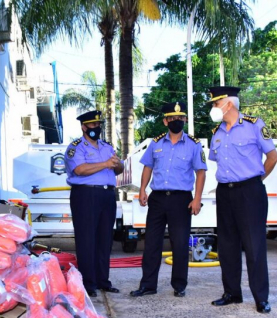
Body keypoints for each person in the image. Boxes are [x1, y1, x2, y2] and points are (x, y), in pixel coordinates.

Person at [207, 86, 277, 314]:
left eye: (216, 103)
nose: (213, 108)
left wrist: (256, 180)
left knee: (254, 246)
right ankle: (232, 293)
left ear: (228, 104)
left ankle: (261, 298)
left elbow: (273, 157)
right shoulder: (216, 132)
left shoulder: (254, 124)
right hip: (224, 192)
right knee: (227, 245)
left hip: (250, 191)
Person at [130, 101, 207, 298]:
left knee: (180, 244)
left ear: (185, 120)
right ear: (165, 121)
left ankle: (179, 286)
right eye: (172, 118)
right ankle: (148, 285)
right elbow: (148, 167)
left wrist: (197, 199)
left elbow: (201, 173)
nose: (177, 121)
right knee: (152, 244)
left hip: (181, 200)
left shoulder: (194, 145)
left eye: (180, 118)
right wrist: (142, 190)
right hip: (157, 199)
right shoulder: (155, 143)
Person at [64, 110, 124, 297]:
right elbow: (80, 169)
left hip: (107, 195)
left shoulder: (106, 146)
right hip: (86, 195)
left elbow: (118, 168)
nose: (96, 128)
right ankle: (88, 283)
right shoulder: (76, 147)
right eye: (92, 125)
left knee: (105, 240)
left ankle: (102, 280)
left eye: (98, 125)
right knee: (87, 240)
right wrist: (106, 164)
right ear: (83, 127)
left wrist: (116, 164)